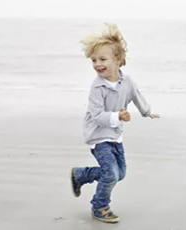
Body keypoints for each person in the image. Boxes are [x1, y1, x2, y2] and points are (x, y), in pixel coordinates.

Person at [69, 23, 161, 223]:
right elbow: (96, 115)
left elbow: (136, 96)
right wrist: (117, 117)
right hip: (98, 136)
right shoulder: (97, 87)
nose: (97, 64)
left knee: (120, 173)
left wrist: (147, 112)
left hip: (115, 135)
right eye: (94, 60)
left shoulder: (126, 81)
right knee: (111, 173)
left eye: (102, 59)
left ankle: (81, 175)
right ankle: (100, 207)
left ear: (118, 60)